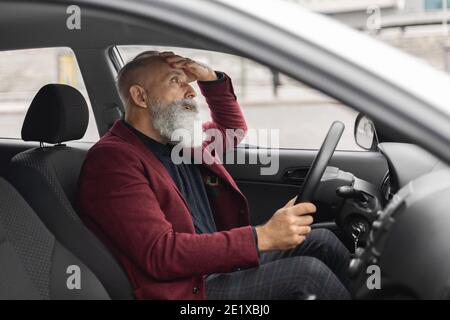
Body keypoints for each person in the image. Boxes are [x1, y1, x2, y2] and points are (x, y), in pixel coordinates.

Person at [78, 50, 351, 300]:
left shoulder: (179, 142)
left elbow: (232, 128)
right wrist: (261, 237)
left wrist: (210, 78)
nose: (190, 92)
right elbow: (160, 253)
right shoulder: (113, 160)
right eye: (176, 81)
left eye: (190, 82)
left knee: (323, 241)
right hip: (189, 291)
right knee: (307, 274)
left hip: (213, 266)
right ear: (141, 97)